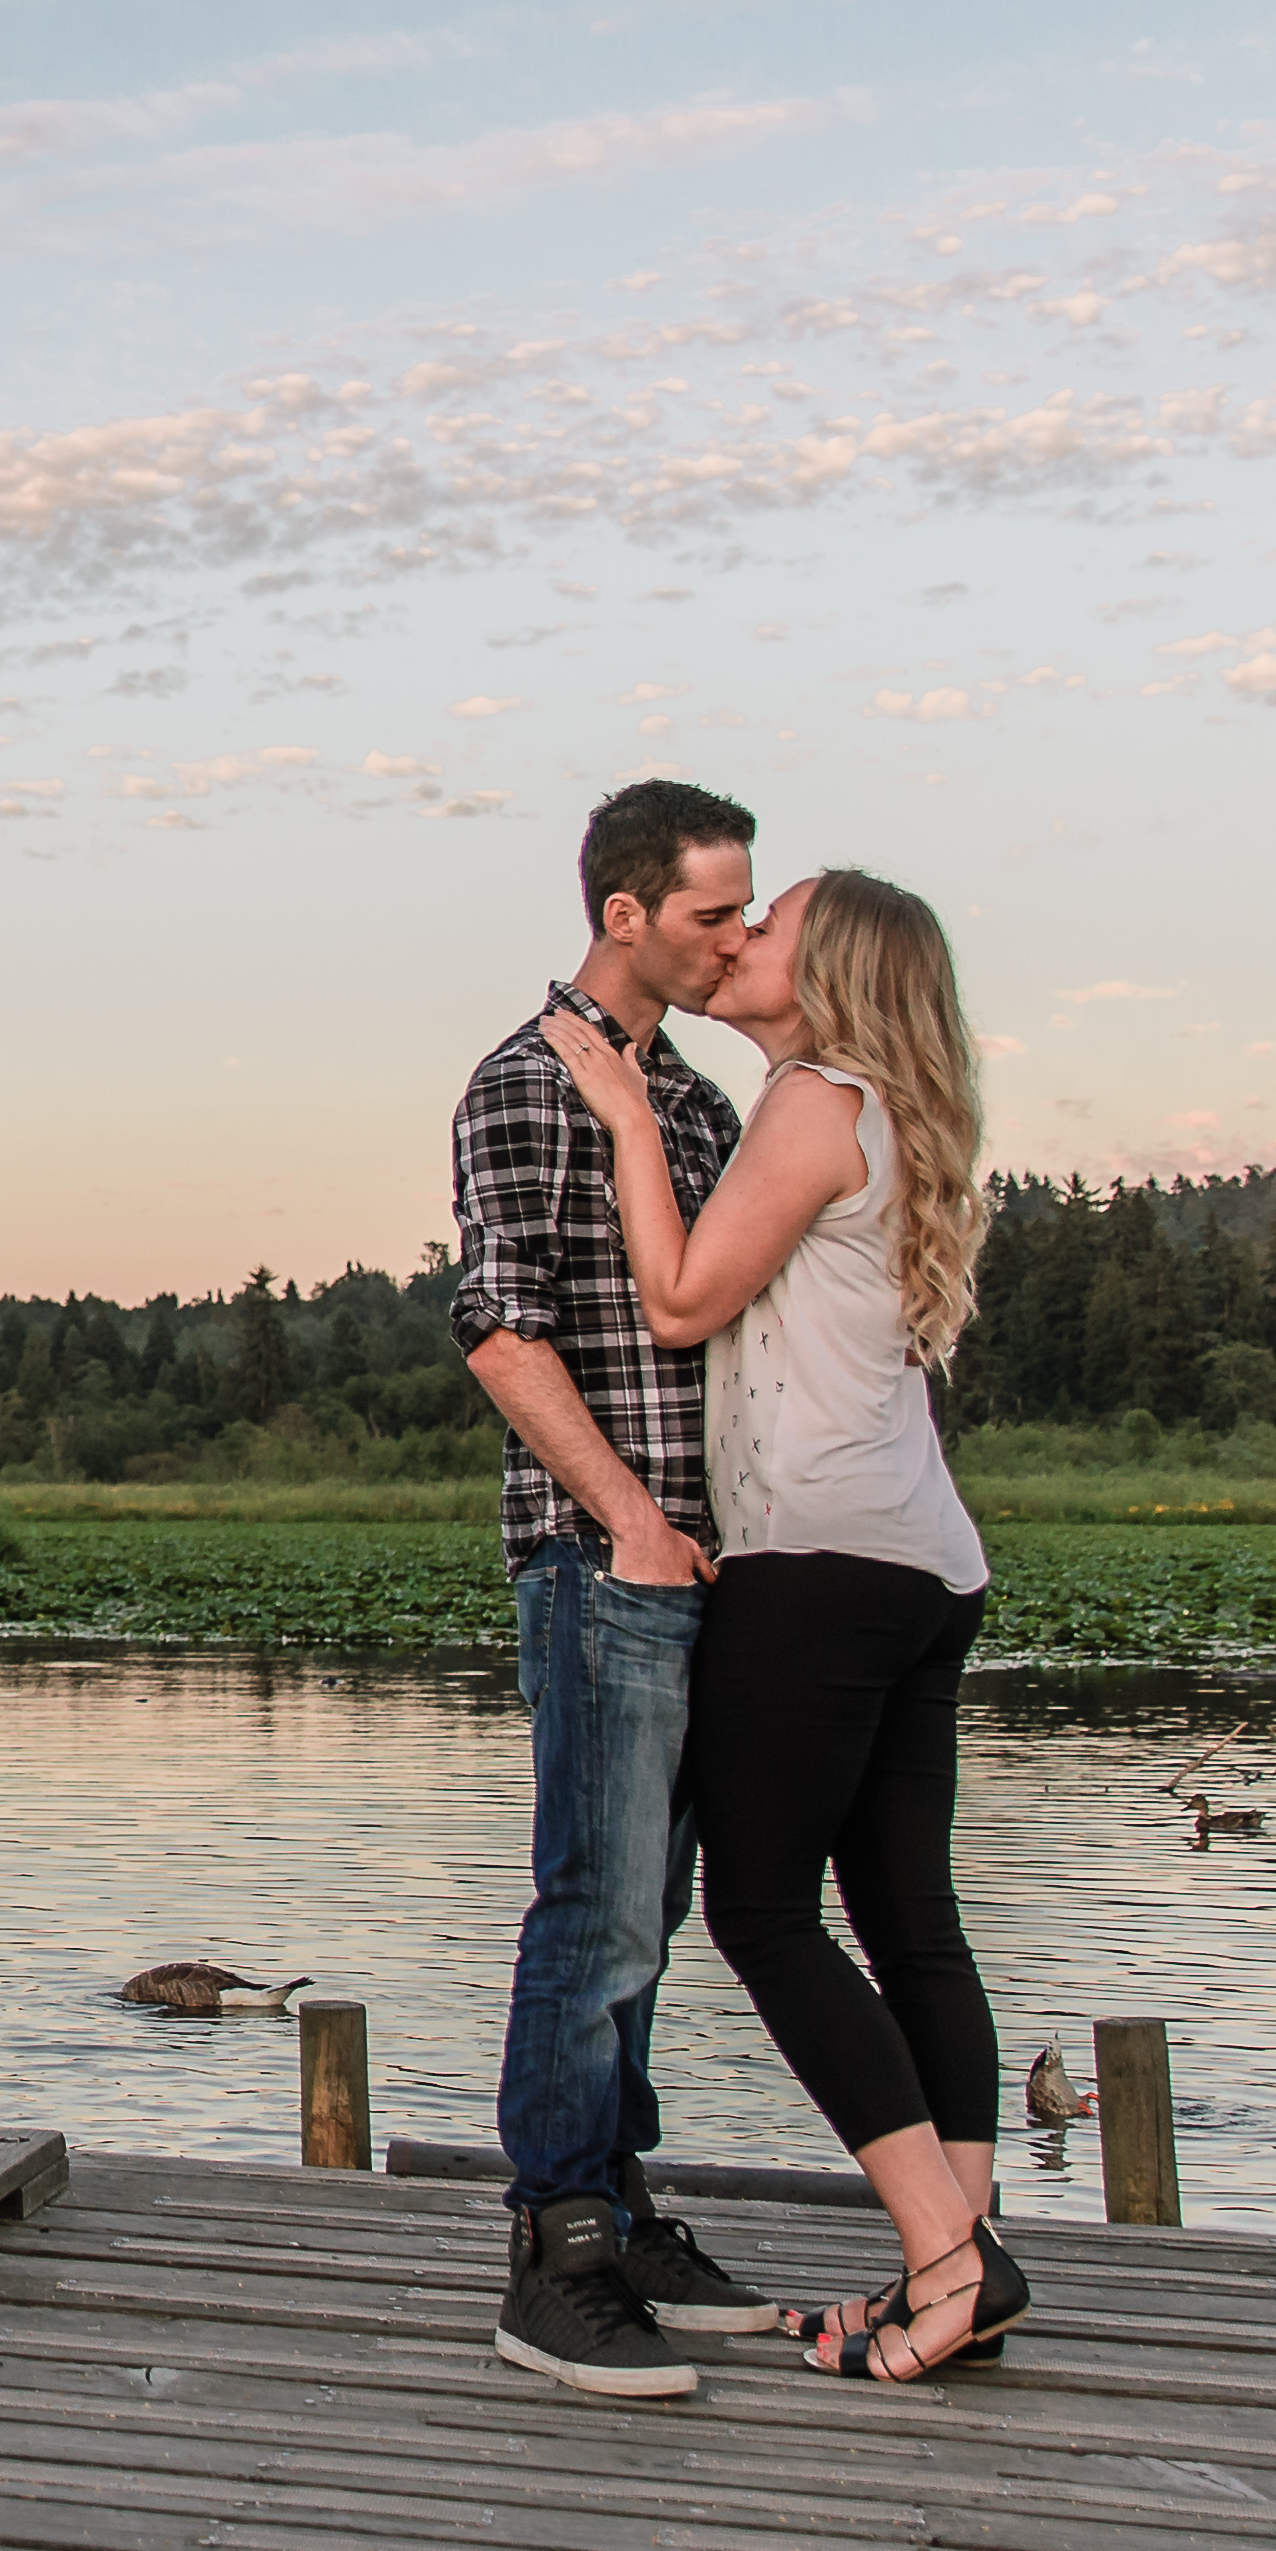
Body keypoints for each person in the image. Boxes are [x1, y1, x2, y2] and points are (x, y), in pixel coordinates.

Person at [537, 866, 1010, 2384]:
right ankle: (965, 2263)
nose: (741, 942)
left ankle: (945, 2258)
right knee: (910, 1923)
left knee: (759, 1910)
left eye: (772, 923)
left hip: (819, 1563)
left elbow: (675, 1302)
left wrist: (619, 1115)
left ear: (835, 971)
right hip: (925, 1562)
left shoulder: (815, 1096)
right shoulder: (892, 1111)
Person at [448, 777, 780, 2401]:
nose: (741, 938)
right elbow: (499, 1327)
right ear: (624, 912)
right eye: (715, 913)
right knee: (594, 1910)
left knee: (652, 1915)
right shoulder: (525, 1084)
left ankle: (627, 2203)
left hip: (712, 1564)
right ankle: (558, 2250)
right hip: (604, 1565)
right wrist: (631, 1522)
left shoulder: (701, 1108)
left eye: (745, 910)